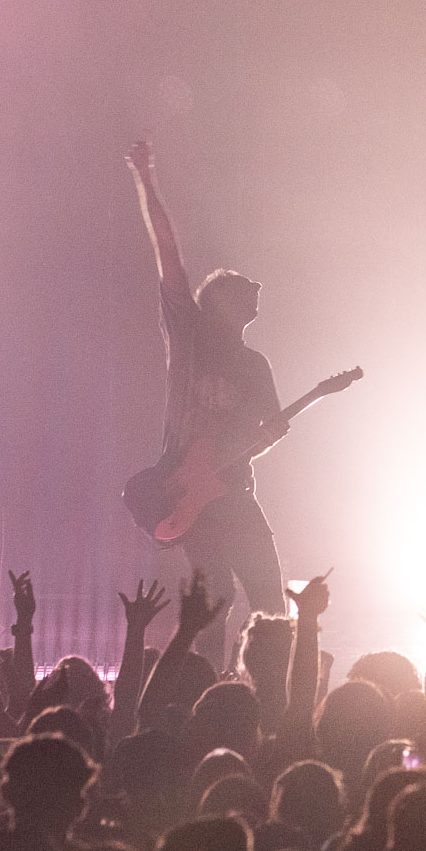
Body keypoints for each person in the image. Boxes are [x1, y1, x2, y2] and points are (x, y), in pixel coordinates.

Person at [125, 140, 288, 668]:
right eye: (243, 289)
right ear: (220, 301)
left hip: (235, 491)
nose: (255, 292)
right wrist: (147, 179)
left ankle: (263, 686)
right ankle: (207, 690)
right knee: (214, 606)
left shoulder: (255, 365)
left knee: (271, 604)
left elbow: (268, 432)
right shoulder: (189, 334)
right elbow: (167, 253)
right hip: (192, 498)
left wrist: (267, 438)